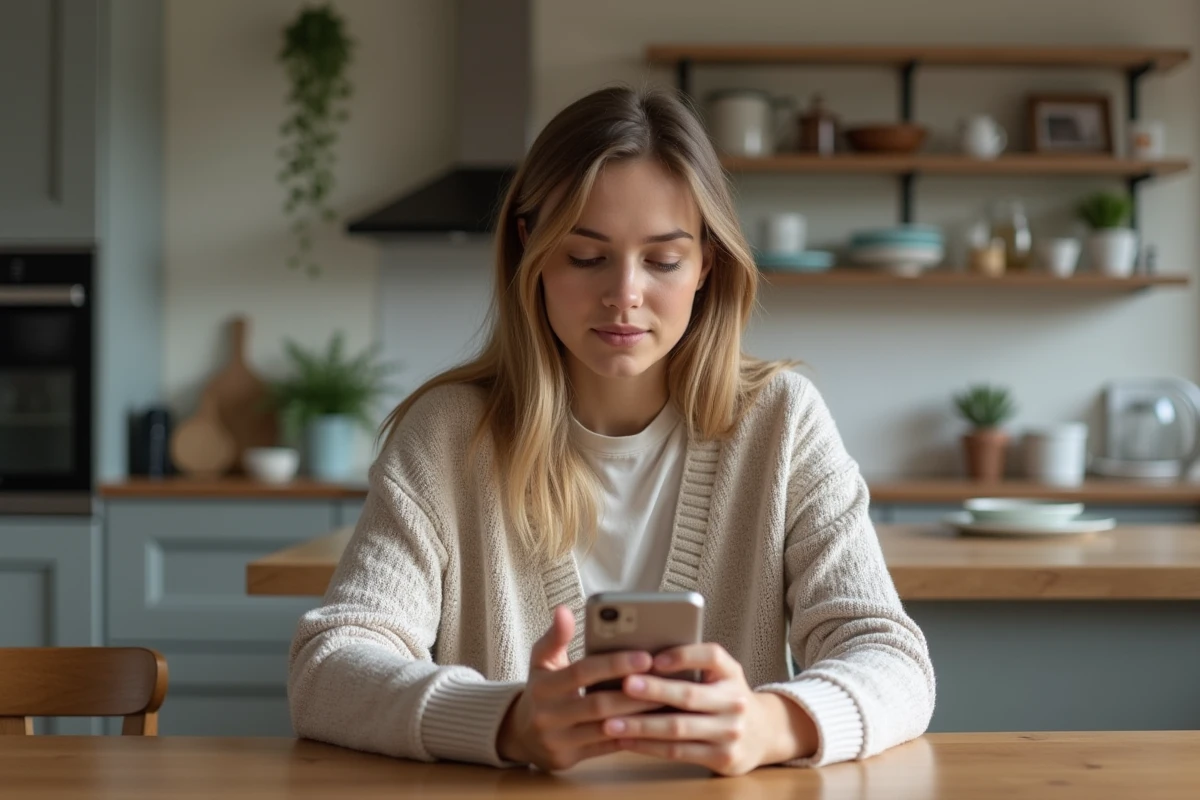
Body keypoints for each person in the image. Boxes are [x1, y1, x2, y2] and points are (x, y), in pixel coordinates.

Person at [288, 86, 935, 776]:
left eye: (662, 260)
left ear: (706, 264)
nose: (624, 293)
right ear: (529, 249)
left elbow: (891, 657)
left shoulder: (782, 422)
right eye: (586, 256)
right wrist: (508, 723)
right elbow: (329, 667)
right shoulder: (447, 435)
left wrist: (772, 725)